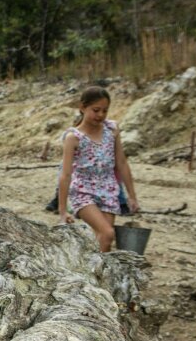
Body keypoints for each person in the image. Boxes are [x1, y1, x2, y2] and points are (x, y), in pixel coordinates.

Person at [56, 86, 140, 252]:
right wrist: (63, 211)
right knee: (108, 233)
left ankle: (95, 273)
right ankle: (94, 274)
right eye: (96, 110)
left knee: (103, 241)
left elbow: (121, 163)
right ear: (82, 108)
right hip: (83, 190)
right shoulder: (73, 138)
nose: (100, 115)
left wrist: (132, 196)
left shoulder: (111, 131)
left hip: (109, 190)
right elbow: (65, 175)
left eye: (105, 111)